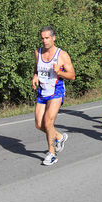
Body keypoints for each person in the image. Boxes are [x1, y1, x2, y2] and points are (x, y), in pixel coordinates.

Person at [31, 26, 75, 165]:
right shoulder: (38, 53)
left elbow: (72, 75)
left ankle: (52, 153)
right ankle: (59, 136)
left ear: (53, 38)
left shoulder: (62, 55)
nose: (44, 41)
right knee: (39, 125)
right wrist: (35, 76)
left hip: (56, 91)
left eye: (47, 38)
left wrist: (60, 72)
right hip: (42, 91)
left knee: (48, 122)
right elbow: (36, 68)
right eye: (42, 38)